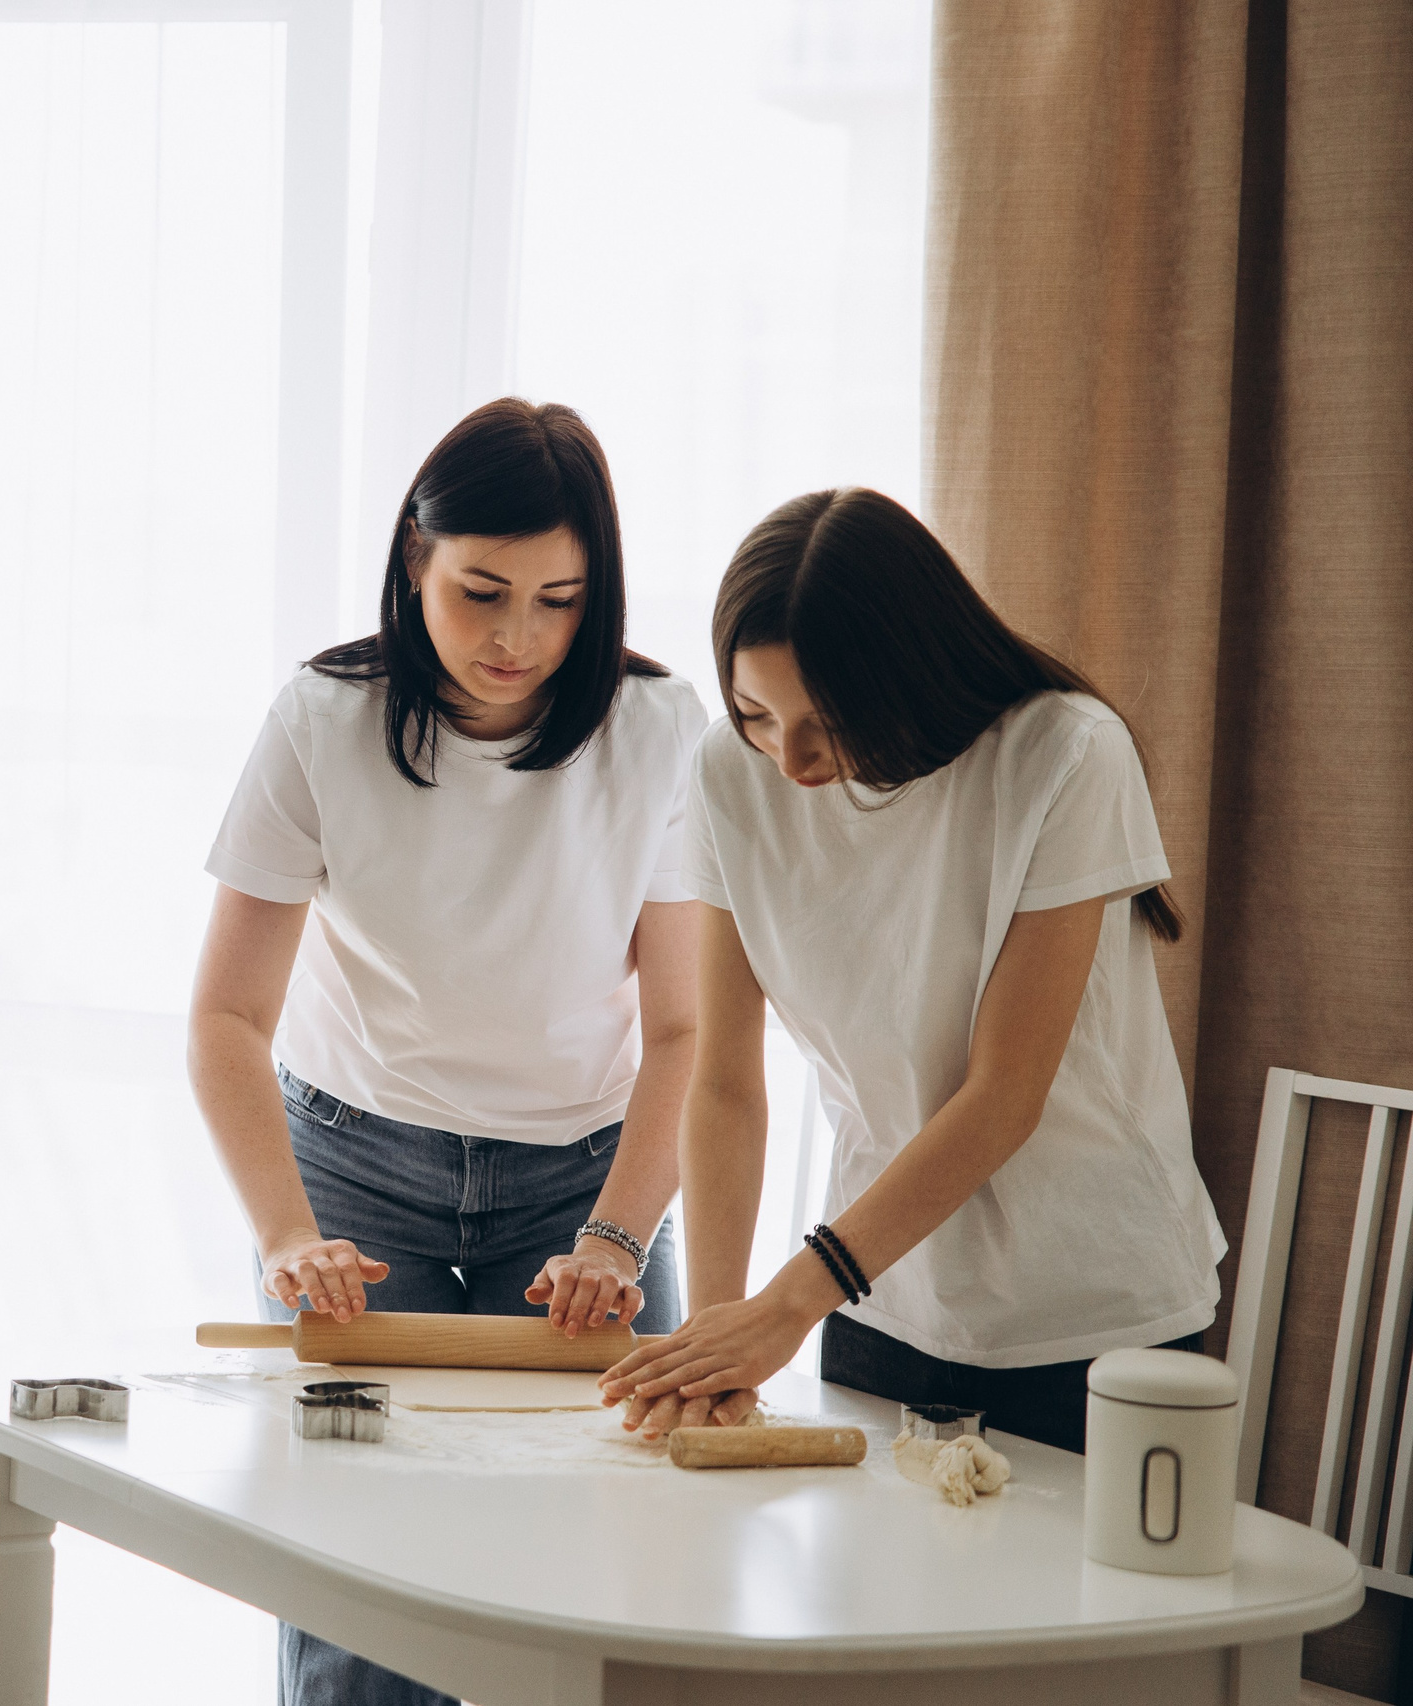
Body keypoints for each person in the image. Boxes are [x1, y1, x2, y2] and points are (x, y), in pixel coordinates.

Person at [189, 398, 703, 1706]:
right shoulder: (323, 714)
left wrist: (617, 1237)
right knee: (357, 1586)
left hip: (587, 1183)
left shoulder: (656, 731)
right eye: (481, 592)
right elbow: (228, 1018)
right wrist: (284, 1232)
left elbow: (688, 1029)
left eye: (559, 600)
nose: (517, 638)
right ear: (415, 560)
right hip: (356, 1168)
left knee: (608, 1564)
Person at [600, 487, 1224, 1453]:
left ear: (910, 673)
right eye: (757, 711)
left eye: (828, 721)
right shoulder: (732, 773)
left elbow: (1003, 1094)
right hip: (882, 1297)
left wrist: (788, 1302)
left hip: (1094, 1312)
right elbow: (725, 1078)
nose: (790, 758)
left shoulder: (1064, 754)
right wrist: (719, 1328)